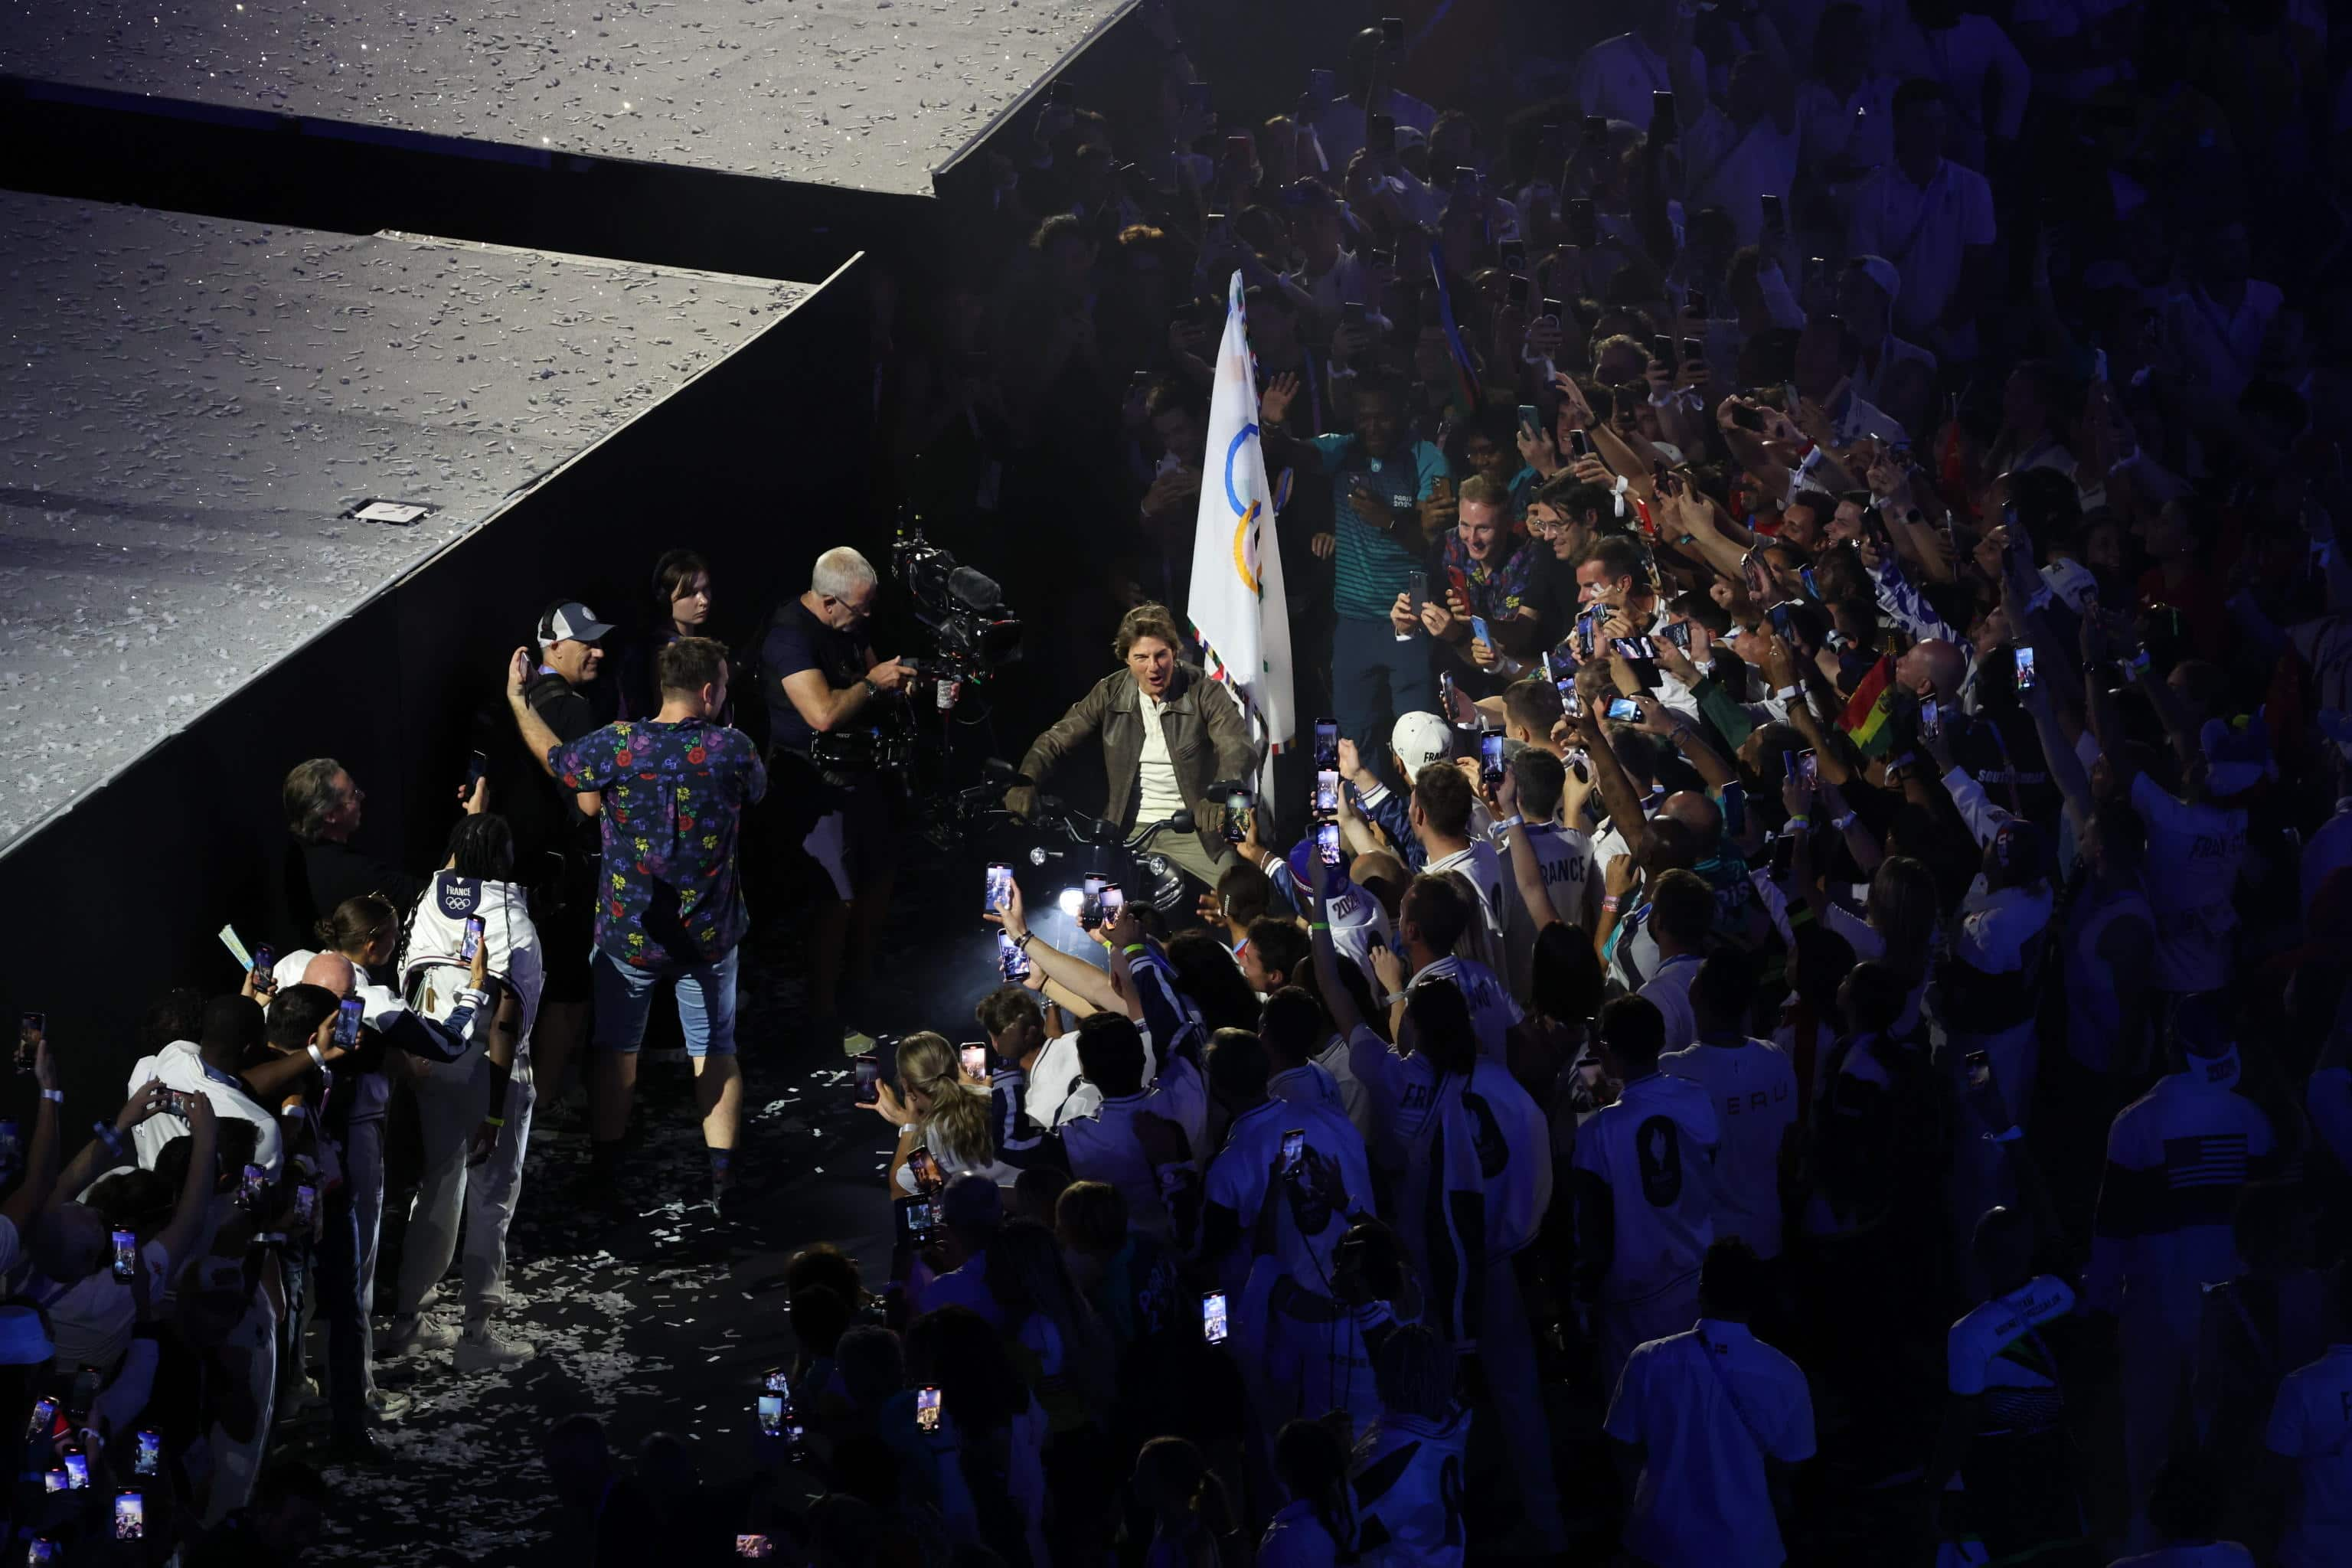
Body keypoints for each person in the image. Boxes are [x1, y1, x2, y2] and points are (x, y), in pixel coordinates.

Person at [507, 633, 766, 1206]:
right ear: (707, 690)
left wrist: (520, 703)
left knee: (617, 1049)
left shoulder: (620, 747)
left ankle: (607, 1174)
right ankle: (723, 1186)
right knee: (715, 1050)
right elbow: (756, 794)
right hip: (709, 938)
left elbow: (557, 761)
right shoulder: (734, 750)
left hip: (630, 938)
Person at [384, 813, 541, 1374]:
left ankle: (408, 1322)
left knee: (437, 1191)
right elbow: (505, 1023)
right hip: (486, 1076)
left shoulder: (427, 904)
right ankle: (477, 1331)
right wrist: (496, 1114)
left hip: (430, 1064)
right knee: (491, 1200)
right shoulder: (513, 924)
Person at [759, 546, 918, 1045]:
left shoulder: (850, 625)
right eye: (859, 608)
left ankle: (861, 986)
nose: (866, 617)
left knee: (878, 879)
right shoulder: (789, 637)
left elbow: (873, 674)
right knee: (838, 898)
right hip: (815, 785)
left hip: (862, 775)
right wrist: (873, 684)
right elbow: (823, 714)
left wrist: (902, 685)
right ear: (828, 603)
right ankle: (824, 1012)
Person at [1008, 601, 1259, 889]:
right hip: (1125, 830)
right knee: (1090, 905)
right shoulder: (1110, 692)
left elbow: (1236, 745)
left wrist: (1222, 791)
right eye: (1141, 657)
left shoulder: (1204, 691)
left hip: (1196, 830)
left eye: (1161, 655)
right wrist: (1026, 779)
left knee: (1237, 894)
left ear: (1175, 653)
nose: (1153, 667)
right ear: (1126, 658)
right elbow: (1055, 739)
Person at [1605, 1238, 1815, 1568]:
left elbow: (1622, 1445)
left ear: (1701, 1290)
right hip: (1747, 1550)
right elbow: (1790, 1464)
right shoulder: (1786, 1376)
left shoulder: (1648, 1360)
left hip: (1659, 1544)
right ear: (1755, 1299)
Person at [1572, 995, 1724, 1398]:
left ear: (1606, 1049)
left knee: (1637, 1414)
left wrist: (1584, 1296)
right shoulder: (1695, 1097)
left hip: (1633, 1297)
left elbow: (1594, 1227)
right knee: (1695, 1399)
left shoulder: (1598, 1132)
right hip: (1695, 1276)